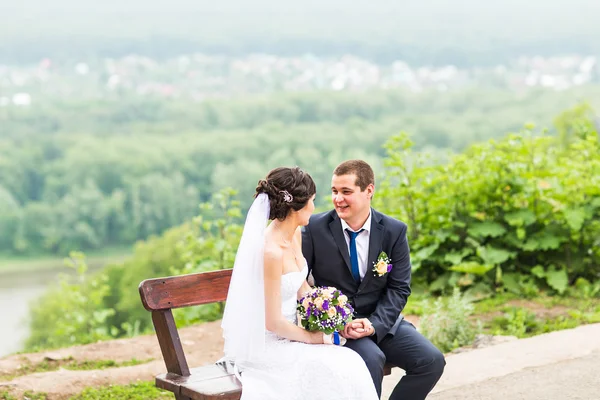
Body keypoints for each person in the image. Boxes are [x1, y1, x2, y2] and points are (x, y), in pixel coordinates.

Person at [221, 166, 378, 400]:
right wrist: (315, 338)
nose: (314, 207)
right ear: (298, 205)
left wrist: (338, 320)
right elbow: (273, 322)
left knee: (347, 363)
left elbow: (303, 290)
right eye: (313, 200)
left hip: (294, 334)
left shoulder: (294, 234)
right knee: (341, 366)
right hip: (270, 343)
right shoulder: (270, 252)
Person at [302, 160, 446, 400]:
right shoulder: (314, 229)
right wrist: (334, 321)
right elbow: (300, 282)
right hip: (340, 326)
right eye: (335, 191)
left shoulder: (393, 230)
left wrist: (374, 324)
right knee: (372, 360)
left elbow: (399, 288)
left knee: (431, 361)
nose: (338, 199)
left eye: (346, 192)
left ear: (369, 191)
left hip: (383, 321)